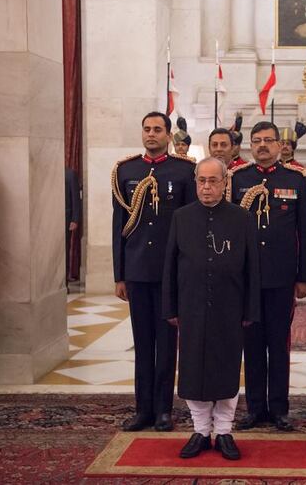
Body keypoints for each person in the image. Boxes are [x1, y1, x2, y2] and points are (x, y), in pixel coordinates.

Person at [163, 157, 261, 460]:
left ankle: (225, 430)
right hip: (191, 306)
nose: (207, 187)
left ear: (224, 183)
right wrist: (170, 306)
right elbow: (170, 266)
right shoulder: (181, 217)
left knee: (226, 368)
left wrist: (250, 309)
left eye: (213, 181)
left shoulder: (241, 218)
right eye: (202, 181)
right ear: (196, 182)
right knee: (193, 368)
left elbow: (252, 269)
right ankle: (201, 431)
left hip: (229, 307)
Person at [111, 111, 196, 432]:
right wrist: (120, 274)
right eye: (146, 129)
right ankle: (142, 409)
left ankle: (164, 410)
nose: (151, 135)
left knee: (166, 342)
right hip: (137, 270)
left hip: (169, 272)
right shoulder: (125, 171)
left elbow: (189, 228)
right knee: (142, 343)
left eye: (157, 130)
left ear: (168, 135)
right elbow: (119, 225)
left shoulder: (184, 171)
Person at [229, 121, 306, 431]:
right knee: (251, 344)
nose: (263, 145)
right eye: (257, 141)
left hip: (281, 278)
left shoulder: (295, 180)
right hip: (246, 279)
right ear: (250, 146)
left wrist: (304, 276)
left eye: (268, 140)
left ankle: (279, 409)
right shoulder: (237, 180)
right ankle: (254, 408)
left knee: (278, 345)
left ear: (280, 146)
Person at [65, 167, 81, 283]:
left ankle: (64, 281)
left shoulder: (70, 174)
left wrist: (75, 219)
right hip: (48, 222)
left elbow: (76, 198)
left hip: (66, 220)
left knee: (64, 250)